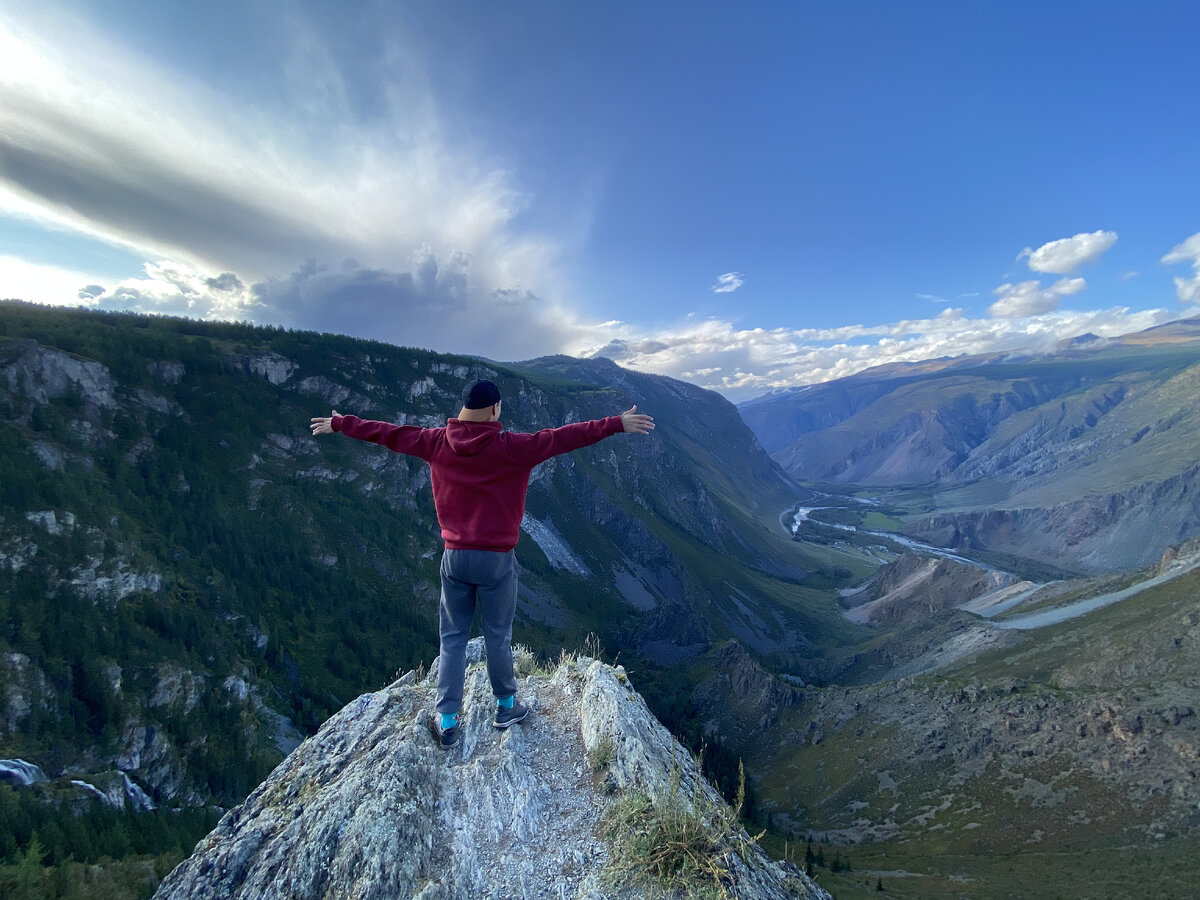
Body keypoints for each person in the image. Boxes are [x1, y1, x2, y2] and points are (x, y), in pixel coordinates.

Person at [310, 379, 654, 749]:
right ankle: (506, 706)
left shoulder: (434, 442)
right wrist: (615, 423)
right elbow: (565, 437)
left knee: (453, 638)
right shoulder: (512, 448)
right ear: (493, 409)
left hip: (454, 559)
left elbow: (389, 434)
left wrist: (343, 423)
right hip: (496, 562)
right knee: (497, 636)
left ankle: (446, 721)